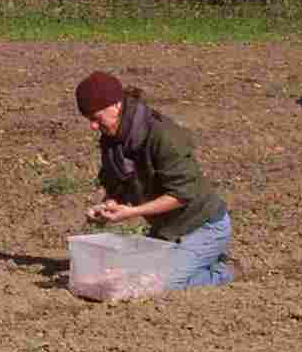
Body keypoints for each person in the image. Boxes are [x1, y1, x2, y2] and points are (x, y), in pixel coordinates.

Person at [73, 72, 238, 288]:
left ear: (116, 105)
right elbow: (118, 183)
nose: (93, 126)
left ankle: (221, 273)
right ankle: (192, 260)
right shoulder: (113, 139)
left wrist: (132, 212)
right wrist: (108, 205)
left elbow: (182, 194)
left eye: (96, 117)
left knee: (157, 285)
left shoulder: (162, 135)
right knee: (126, 278)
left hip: (203, 227)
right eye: (89, 120)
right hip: (168, 231)